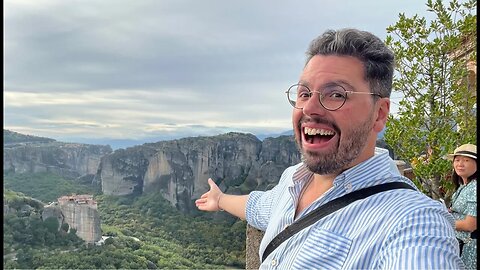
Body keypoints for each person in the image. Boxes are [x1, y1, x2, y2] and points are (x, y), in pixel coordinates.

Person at [195, 28, 463, 269]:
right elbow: (259, 207)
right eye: (304, 93)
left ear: (379, 114)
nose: (309, 108)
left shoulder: (413, 221)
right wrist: (220, 200)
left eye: (336, 94)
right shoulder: (293, 181)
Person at [446, 143, 477, 269]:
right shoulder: (464, 186)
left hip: (469, 249)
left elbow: (470, 225)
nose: (460, 164)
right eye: (457, 160)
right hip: (459, 245)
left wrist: (444, 220)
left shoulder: (475, 187)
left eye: (466, 160)